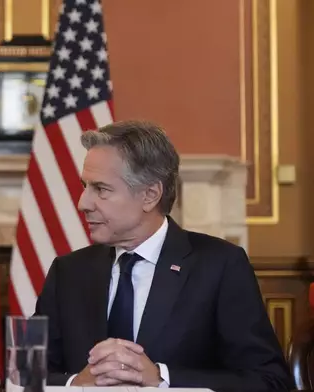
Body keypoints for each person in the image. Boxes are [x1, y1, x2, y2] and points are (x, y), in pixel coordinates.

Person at [34, 120, 293, 391]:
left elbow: (269, 381)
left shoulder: (220, 266)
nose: (83, 203)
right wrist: (77, 382)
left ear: (150, 195)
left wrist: (161, 378)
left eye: (101, 189)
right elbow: (27, 374)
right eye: (85, 186)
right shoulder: (68, 272)